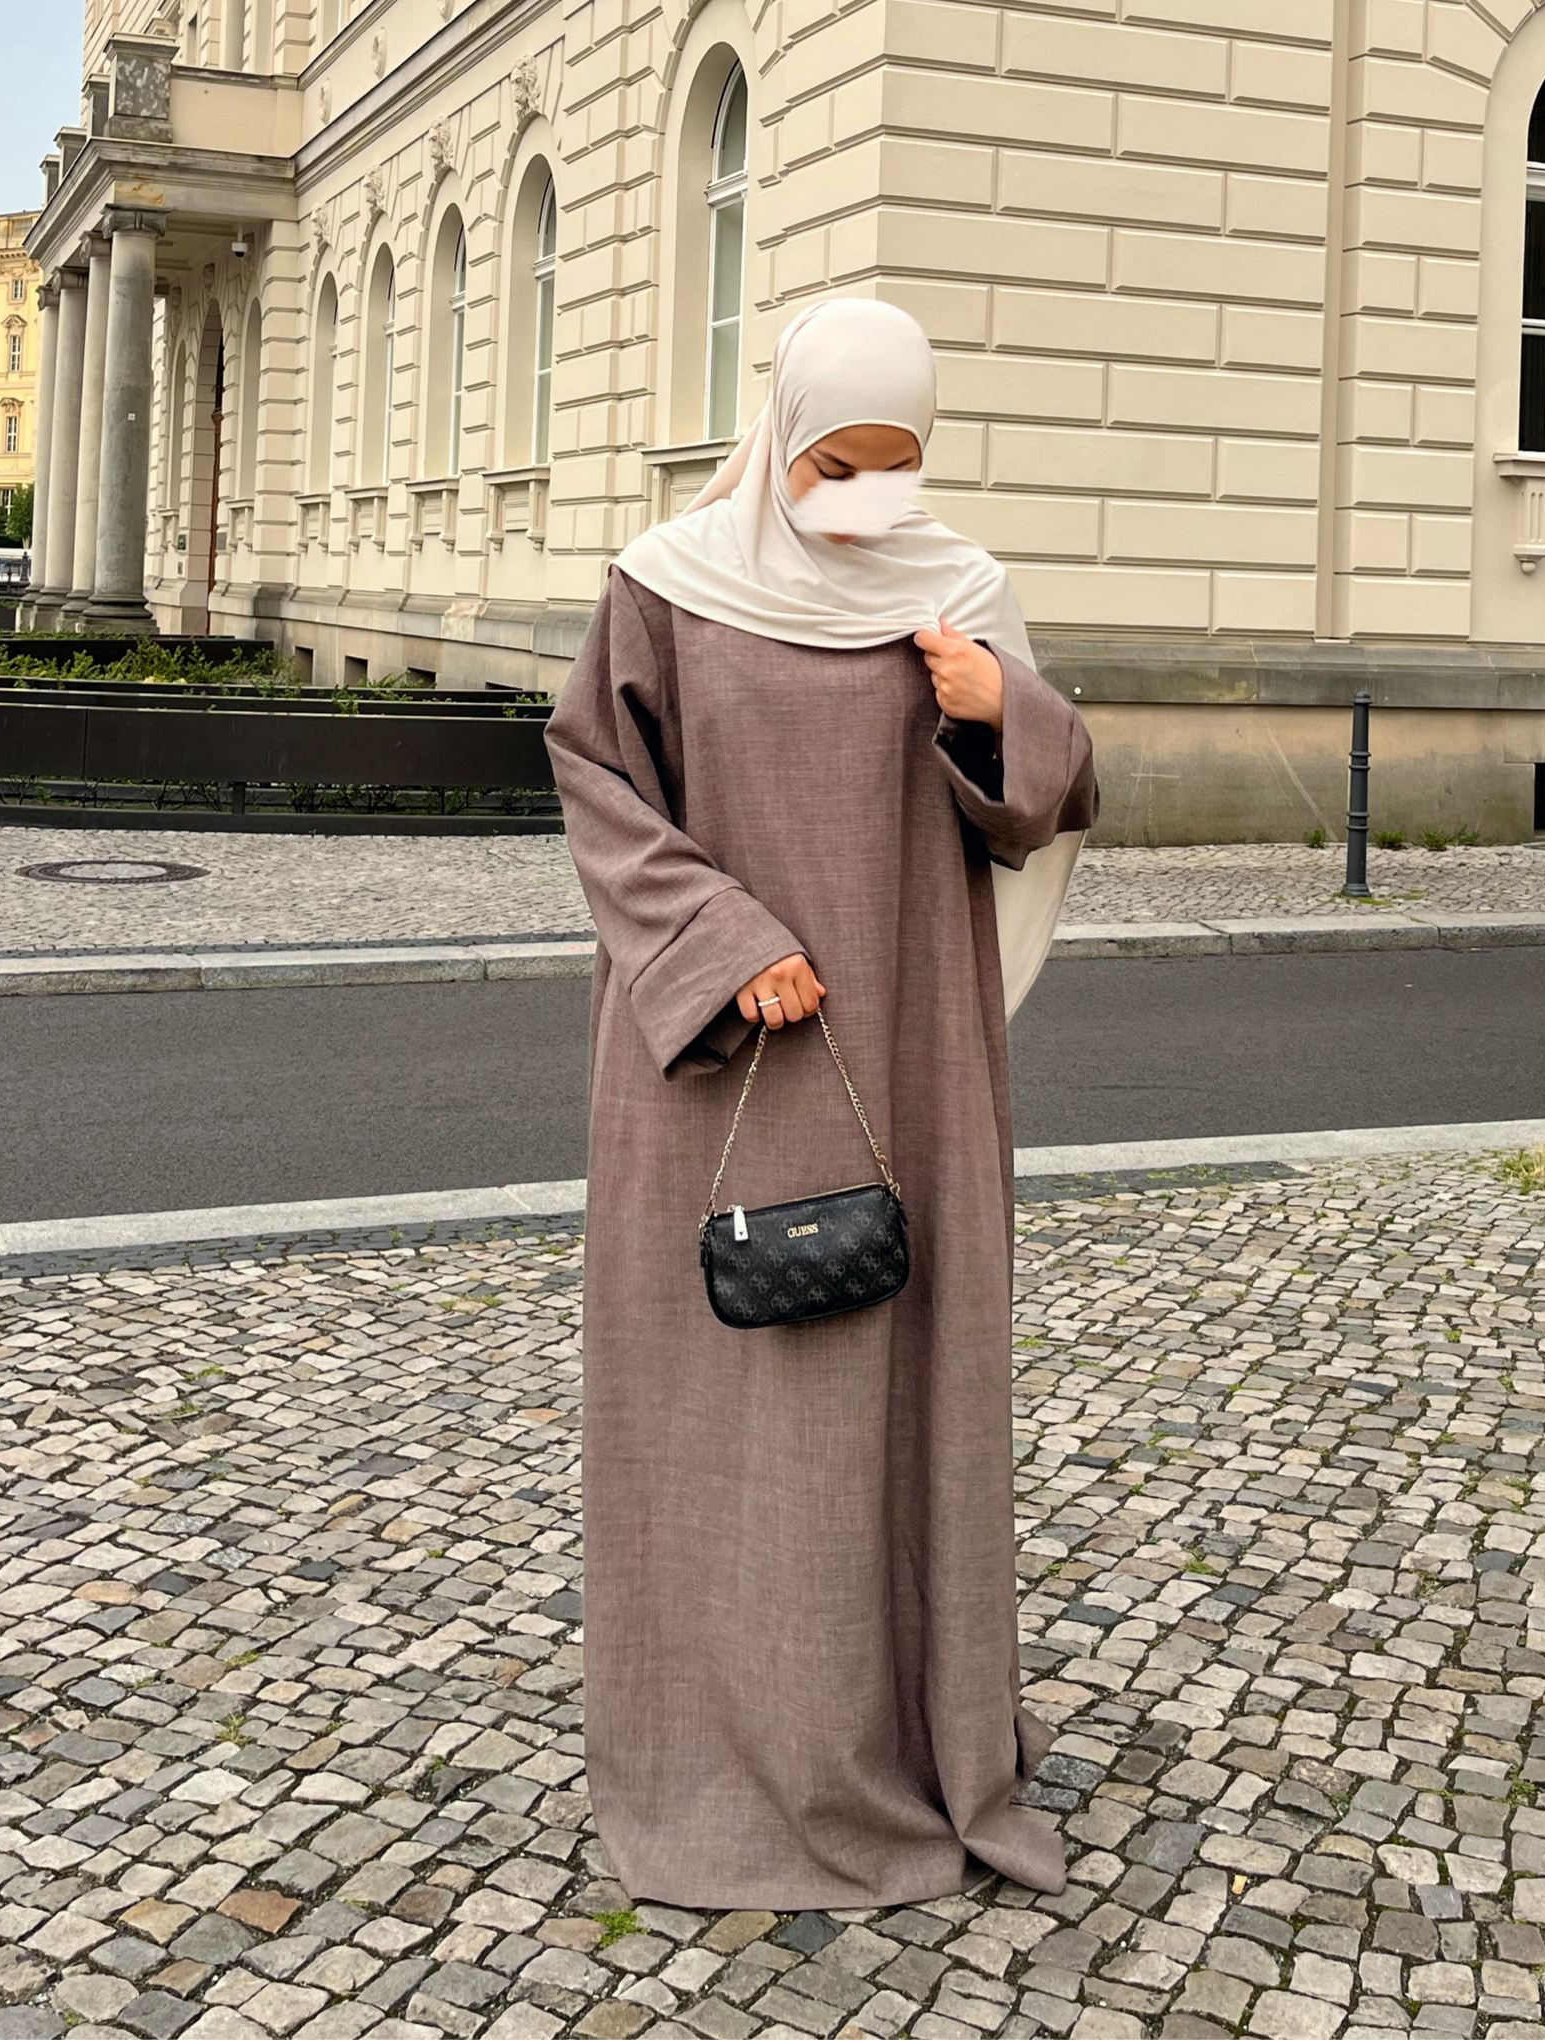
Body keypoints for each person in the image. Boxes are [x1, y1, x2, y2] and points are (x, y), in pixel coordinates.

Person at [545, 296, 1097, 1909]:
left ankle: (912, 1737)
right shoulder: (666, 586)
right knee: (720, 1406)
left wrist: (1000, 710)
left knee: (906, 1390)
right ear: (779, 430)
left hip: (907, 1059)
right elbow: (596, 779)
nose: (863, 491)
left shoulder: (957, 592)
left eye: (891, 460)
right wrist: (725, 942)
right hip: (719, 1060)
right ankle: (721, 1751)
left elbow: (1045, 804)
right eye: (834, 460)